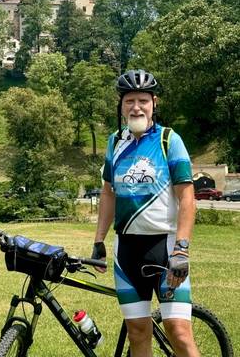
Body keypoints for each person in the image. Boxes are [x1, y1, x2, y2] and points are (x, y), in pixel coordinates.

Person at [92, 69, 199, 357]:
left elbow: (187, 198)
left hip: (164, 248)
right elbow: (108, 193)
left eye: (142, 100)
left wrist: (182, 249)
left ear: (154, 103)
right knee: (138, 332)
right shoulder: (115, 142)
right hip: (126, 251)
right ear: (121, 105)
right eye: (129, 101)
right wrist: (99, 241)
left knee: (178, 331)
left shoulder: (169, 140)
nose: (136, 107)